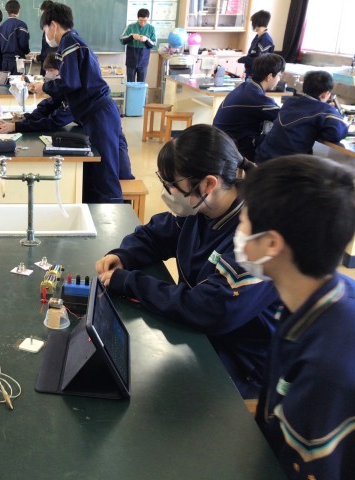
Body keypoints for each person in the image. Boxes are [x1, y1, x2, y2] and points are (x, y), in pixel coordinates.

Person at [95, 125, 280, 399]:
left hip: (241, 361)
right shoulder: (203, 208)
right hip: (202, 337)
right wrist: (125, 255)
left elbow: (210, 309)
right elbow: (157, 234)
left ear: (208, 184)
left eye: (173, 184)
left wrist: (131, 283)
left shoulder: (255, 236)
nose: (169, 192)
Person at [238, 155, 355, 479]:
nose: (239, 232)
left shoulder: (325, 370)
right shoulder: (313, 297)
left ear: (272, 243)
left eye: (243, 222)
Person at [30, 3, 125, 202]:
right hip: (97, 112)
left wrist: (45, 87)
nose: (46, 34)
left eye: (45, 29)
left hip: (99, 113)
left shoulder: (69, 43)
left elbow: (70, 83)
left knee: (104, 172)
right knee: (98, 169)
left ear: (53, 25)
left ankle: (113, 215)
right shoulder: (73, 40)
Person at [254, 70, 348, 163]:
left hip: (263, 157)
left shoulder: (290, 102)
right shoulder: (325, 110)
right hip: (287, 165)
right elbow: (337, 133)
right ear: (324, 95)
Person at [213, 53, 285, 160]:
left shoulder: (246, 87)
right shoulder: (256, 98)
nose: (279, 80)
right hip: (232, 148)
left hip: (220, 141)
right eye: (279, 75)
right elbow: (284, 117)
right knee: (282, 143)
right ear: (270, 76)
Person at [0, 53, 73, 133]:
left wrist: (16, 127)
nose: (47, 74)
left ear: (64, 70)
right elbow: (46, 107)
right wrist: (24, 118)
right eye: (46, 71)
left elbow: (52, 122)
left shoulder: (74, 96)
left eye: (51, 70)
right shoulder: (62, 91)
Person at [119, 8, 156, 83]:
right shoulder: (130, 27)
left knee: (141, 83)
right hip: (131, 59)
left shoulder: (151, 28)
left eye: (145, 21)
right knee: (130, 82)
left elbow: (154, 44)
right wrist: (131, 36)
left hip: (143, 60)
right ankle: (130, 91)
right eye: (141, 20)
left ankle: (140, 92)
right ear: (138, 18)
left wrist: (146, 39)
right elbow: (121, 39)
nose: (143, 23)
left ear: (147, 19)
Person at [238, 10, 274, 78]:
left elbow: (261, 61)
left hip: (257, 75)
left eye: (253, 22)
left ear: (257, 23)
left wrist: (245, 59)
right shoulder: (258, 36)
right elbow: (252, 54)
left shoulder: (266, 40)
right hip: (250, 72)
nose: (252, 25)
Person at [0, 0, 30, 74]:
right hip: (18, 60)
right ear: (18, 10)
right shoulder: (21, 25)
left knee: (7, 81)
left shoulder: (2, 26)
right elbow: (23, 44)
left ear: (7, 11)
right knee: (18, 80)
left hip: (5, 61)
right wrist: (27, 51)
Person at [32, 1, 55, 76]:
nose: (41, 17)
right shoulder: (48, 28)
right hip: (47, 65)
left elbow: (50, 51)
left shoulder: (52, 30)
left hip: (50, 67)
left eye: (43, 14)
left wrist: (38, 57)